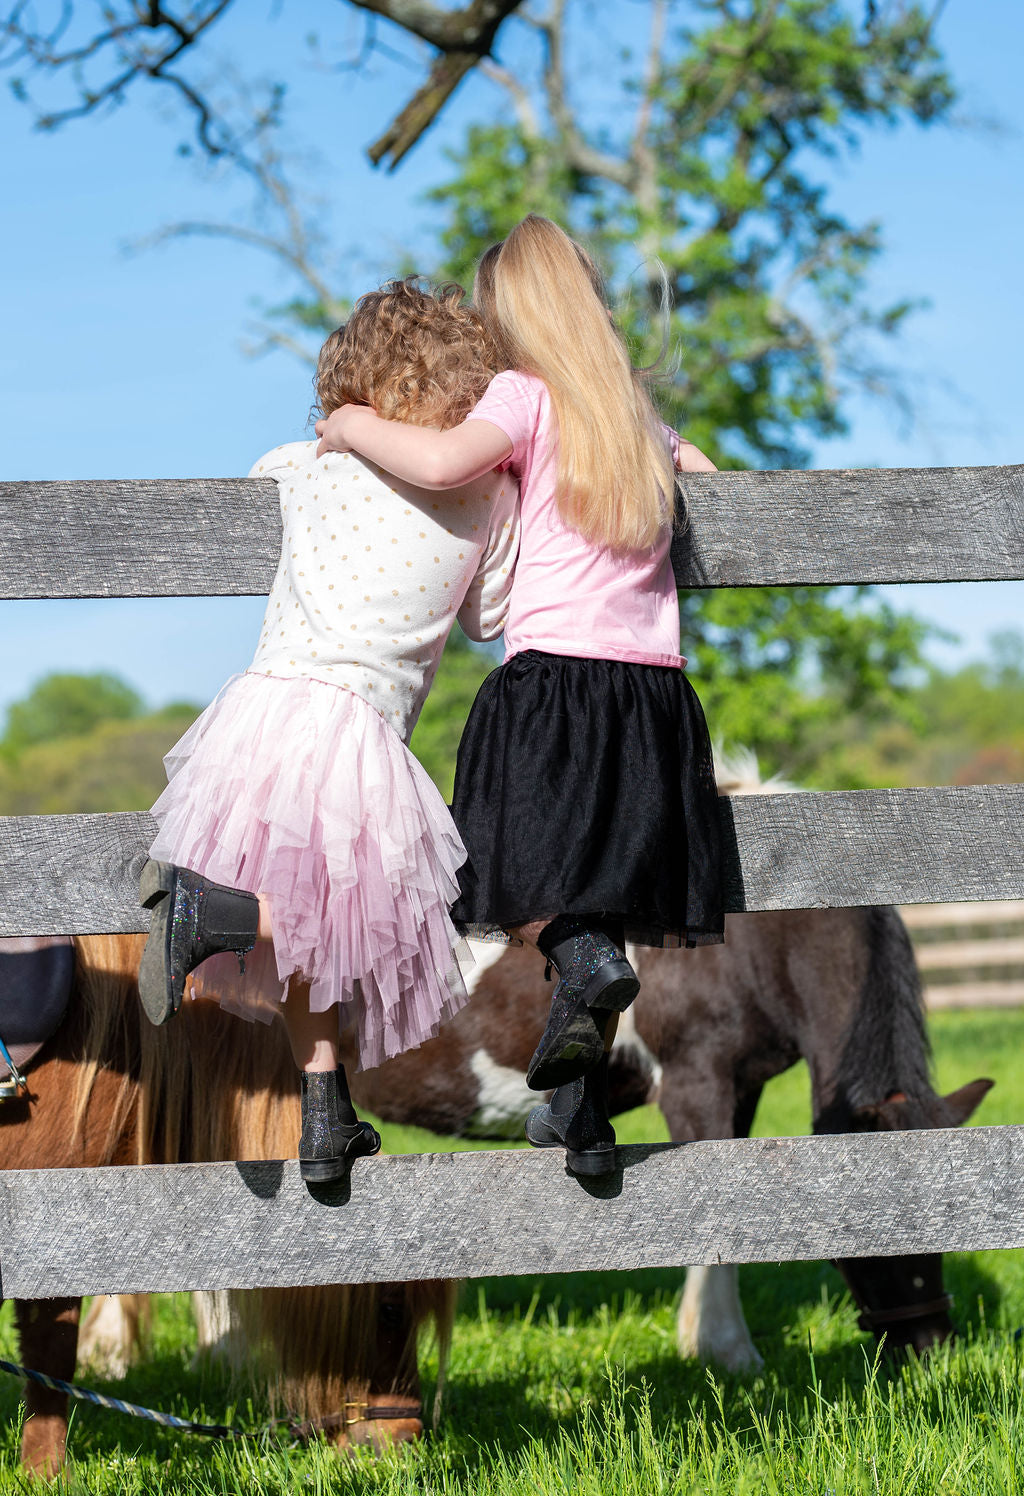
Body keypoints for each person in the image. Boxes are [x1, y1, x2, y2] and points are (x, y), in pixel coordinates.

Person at [314, 215, 724, 1177]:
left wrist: (351, 425)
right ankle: (579, 1117)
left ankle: (582, 966)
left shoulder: (524, 396)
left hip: (554, 688)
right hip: (655, 701)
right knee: (605, 889)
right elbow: (722, 489)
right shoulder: (633, 415)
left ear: (512, 321)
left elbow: (444, 463)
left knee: (517, 885)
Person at [137, 279, 519, 1184]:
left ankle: (325, 1110)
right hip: (357, 733)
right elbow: (491, 617)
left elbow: (256, 485)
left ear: (353, 389)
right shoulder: (485, 495)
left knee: (315, 929)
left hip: (260, 713)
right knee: (334, 920)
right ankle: (206, 913)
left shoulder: (302, 463)